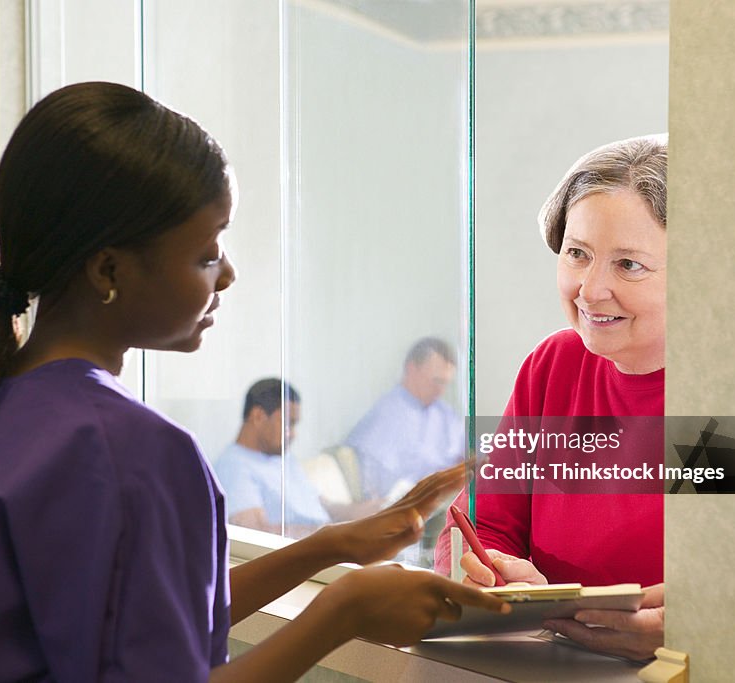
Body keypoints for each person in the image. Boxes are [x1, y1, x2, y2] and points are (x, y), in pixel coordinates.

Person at [0, 82, 508, 682]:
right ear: (108, 268)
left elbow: (129, 619)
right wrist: (344, 611)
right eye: (206, 252)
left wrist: (328, 547)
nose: (225, 274)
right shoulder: (132, 450)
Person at [435, 135, 668, 661]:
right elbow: (479, 524)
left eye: (628, 264)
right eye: (577, 254)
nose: (589, 289)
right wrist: (493, 577)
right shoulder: (554, 365)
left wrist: (702, 623)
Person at [215, 378, 380, 536]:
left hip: (326, 543)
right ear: (258, 416)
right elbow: (255, 532)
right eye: (288, 423)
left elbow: (323, 506)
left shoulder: (284, 458)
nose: (293, 433)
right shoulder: (233, 466)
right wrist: (330, 534)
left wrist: (369, 512)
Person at [346, 337, 466, 502]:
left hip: (447, 503)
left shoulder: (444, 413)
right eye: (436, 381)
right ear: (412, 369)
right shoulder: (386, 414)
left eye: (446, 383)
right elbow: (374, 484)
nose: (441, 390)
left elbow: (472, 449)